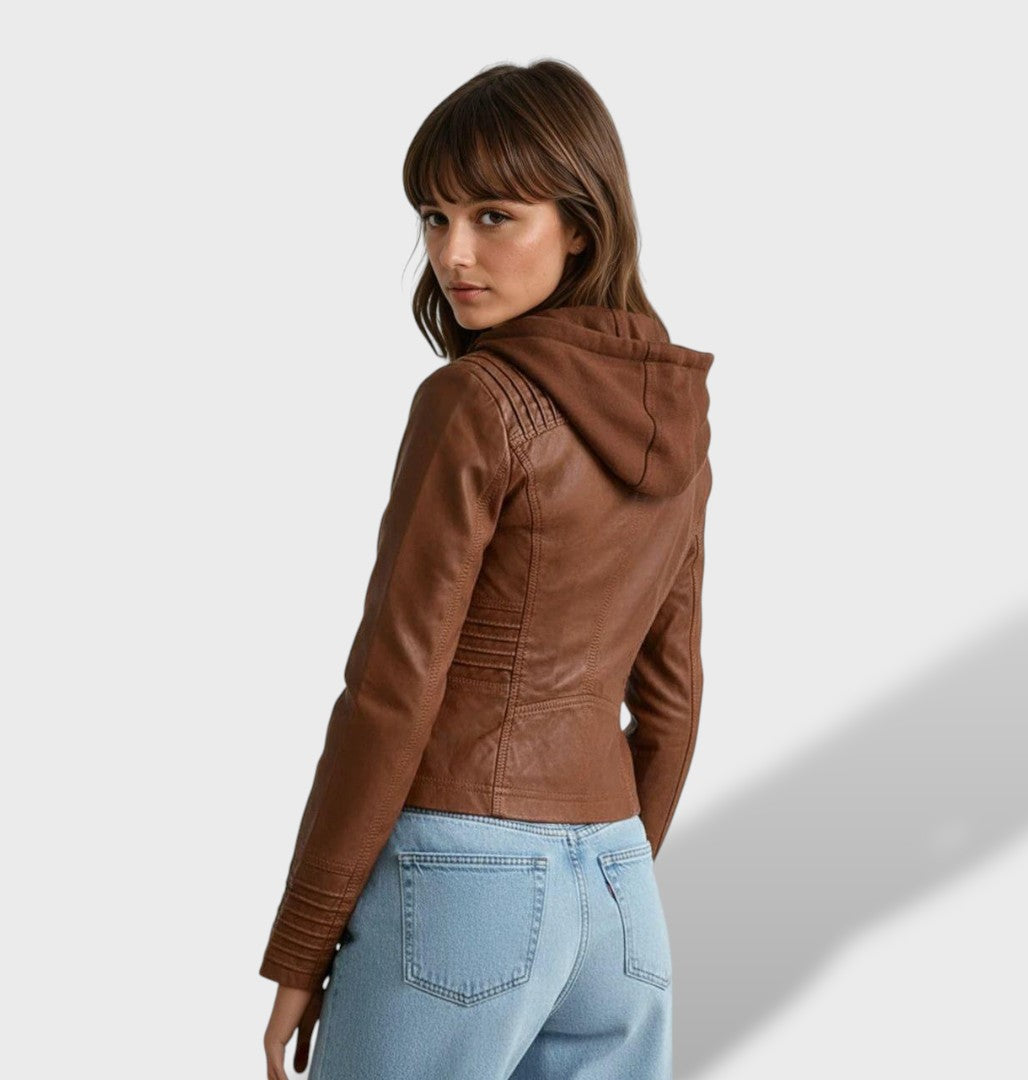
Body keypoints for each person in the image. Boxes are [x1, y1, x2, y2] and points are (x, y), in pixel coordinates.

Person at [261, 58, 714, 1080]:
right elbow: (674, 701)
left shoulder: (474, 400)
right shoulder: (677, 416)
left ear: (582, 225)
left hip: (464, 885)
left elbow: (394, 689)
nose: (452, 253)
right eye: (435, 216)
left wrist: (302, 943)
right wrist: (601, 878)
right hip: (621, 892)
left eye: (494, 216)